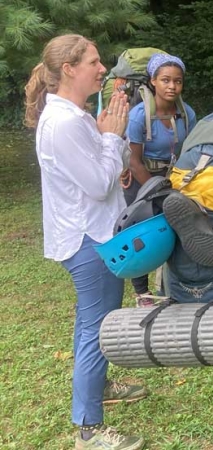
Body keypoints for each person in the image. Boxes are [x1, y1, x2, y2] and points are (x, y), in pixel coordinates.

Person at [24, 34, 146, 450]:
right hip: (88, 241)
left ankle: (98, 387)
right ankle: (89, 429)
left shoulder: (73, 117)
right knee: (97, 329)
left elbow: (103, 173)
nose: (103, 69)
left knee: (89, 324)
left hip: (92, 233)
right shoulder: (62, 123)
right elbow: (96, 184)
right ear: (69, 69)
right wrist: (112, 138)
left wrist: (110, 144)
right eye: (94, 62)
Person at [124, 53, 197, 307]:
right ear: (153, 81)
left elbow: (191, 150)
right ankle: (142, 293)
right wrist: (155, 191)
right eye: (165, 80)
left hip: (175, 178)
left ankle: (176, 284)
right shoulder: (139, 116)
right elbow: (134, 161)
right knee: (142, 233)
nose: (172, 86)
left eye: (177, 81)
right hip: (142, 178)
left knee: (178, 229)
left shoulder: (186, 113)